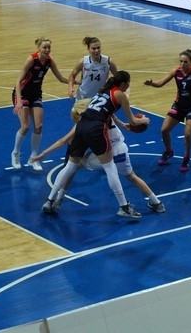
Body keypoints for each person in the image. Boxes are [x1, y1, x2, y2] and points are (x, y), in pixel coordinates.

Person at [40, 71, 149, 218]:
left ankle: (49, 200)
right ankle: (124, 207)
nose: (128, 86)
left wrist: (122, 124)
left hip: (82, 125)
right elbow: (134, 121)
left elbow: (109, 112)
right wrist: (144, 121)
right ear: (123, 84)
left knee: (70, 166)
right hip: (96, 129)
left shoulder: (102, 92)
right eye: (128, 84)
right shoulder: (120, 95)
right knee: (110, 167)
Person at [31, 98, 165, 214]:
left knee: (72, 165)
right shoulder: (106, 114)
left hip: (107, 153)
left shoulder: (84, 123)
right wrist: (137, 121)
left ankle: (57, 199)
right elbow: (120, 111)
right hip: (121, 150)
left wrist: (43, 153)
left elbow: (62, 141)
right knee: (132, 176)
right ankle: (156, 203)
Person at [144, 50, 191, 172]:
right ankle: (168, 151)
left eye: (185, 62)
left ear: (190, 62)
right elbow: (160, 83)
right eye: (181, 61)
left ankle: (186, 157)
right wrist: (152, 83)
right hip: (179, 104)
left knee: (187, 133)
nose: (182, 64)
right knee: (164, 130)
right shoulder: (175, 71)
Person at [11, 37, 69, 171]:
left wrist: (76, 82)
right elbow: (18, 80)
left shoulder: (50, 61)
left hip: (36, 94)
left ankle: (34, 157)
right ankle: (15, 153)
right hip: (23, 93)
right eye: (45, 47)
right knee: (25, 126)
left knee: (39, 126)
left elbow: (61, 78)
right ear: (39, 48)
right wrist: (19, 100)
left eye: (49, 47)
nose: (47, 50)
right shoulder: (31, 59)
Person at [67, 36, 117, 100]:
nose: (97, 50)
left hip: (99, 97)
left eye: (98, 48)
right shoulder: (83, 62)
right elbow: (72, 76)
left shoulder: (108, 61)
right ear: (88, 49)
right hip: (83, 96)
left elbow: (117, 78)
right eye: (93, 48)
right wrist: (70, 88)